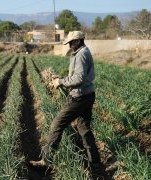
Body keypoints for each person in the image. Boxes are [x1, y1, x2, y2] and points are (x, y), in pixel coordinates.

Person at [29, 31, 104, 176]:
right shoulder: (83, 52)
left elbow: (79, 78)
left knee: (56, 125)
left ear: (77, 41)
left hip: (79, 97)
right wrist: (63, 79)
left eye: (70, 43)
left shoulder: (81, 54)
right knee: (84, 129)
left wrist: (60, 81)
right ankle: (95, 165)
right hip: (87, 95)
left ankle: (46, 161)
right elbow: (77, 77)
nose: (69, 46)